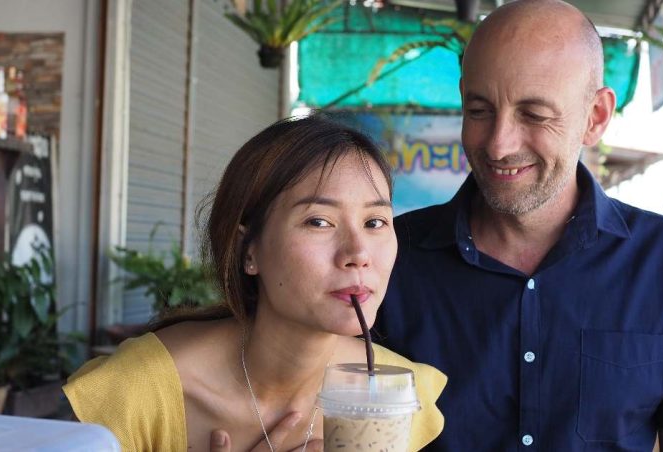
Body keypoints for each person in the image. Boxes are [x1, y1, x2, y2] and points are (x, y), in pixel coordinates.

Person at [373, 0, 663, 450]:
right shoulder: (388, 256)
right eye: (479, 110)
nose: (499, 145)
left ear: (595, 116)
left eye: (534, 115)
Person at [64, 116, 446, 451]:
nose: (359, 252)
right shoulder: (139, 392)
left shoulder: (399, 396)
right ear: (248, 250)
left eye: (375, 222)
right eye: (319, 221)